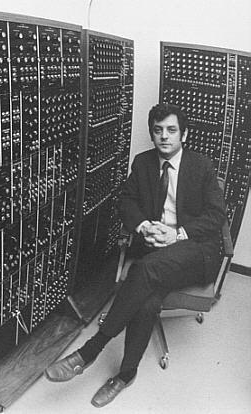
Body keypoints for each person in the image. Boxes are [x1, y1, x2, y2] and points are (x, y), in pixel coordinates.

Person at [44, 103, 226, 407]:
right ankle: (125, 375)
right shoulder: (142, 163)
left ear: (184, 134)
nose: (164, 136)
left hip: (194, 252)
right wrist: (144, 226)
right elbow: (126, 201)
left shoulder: (201, 166)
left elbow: (216, 215)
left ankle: (90, 350)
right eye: (158, 130)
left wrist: (177, 233)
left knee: (143, 270)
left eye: (171, 130)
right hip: (155, 250)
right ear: (152, 134)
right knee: (148, 303)